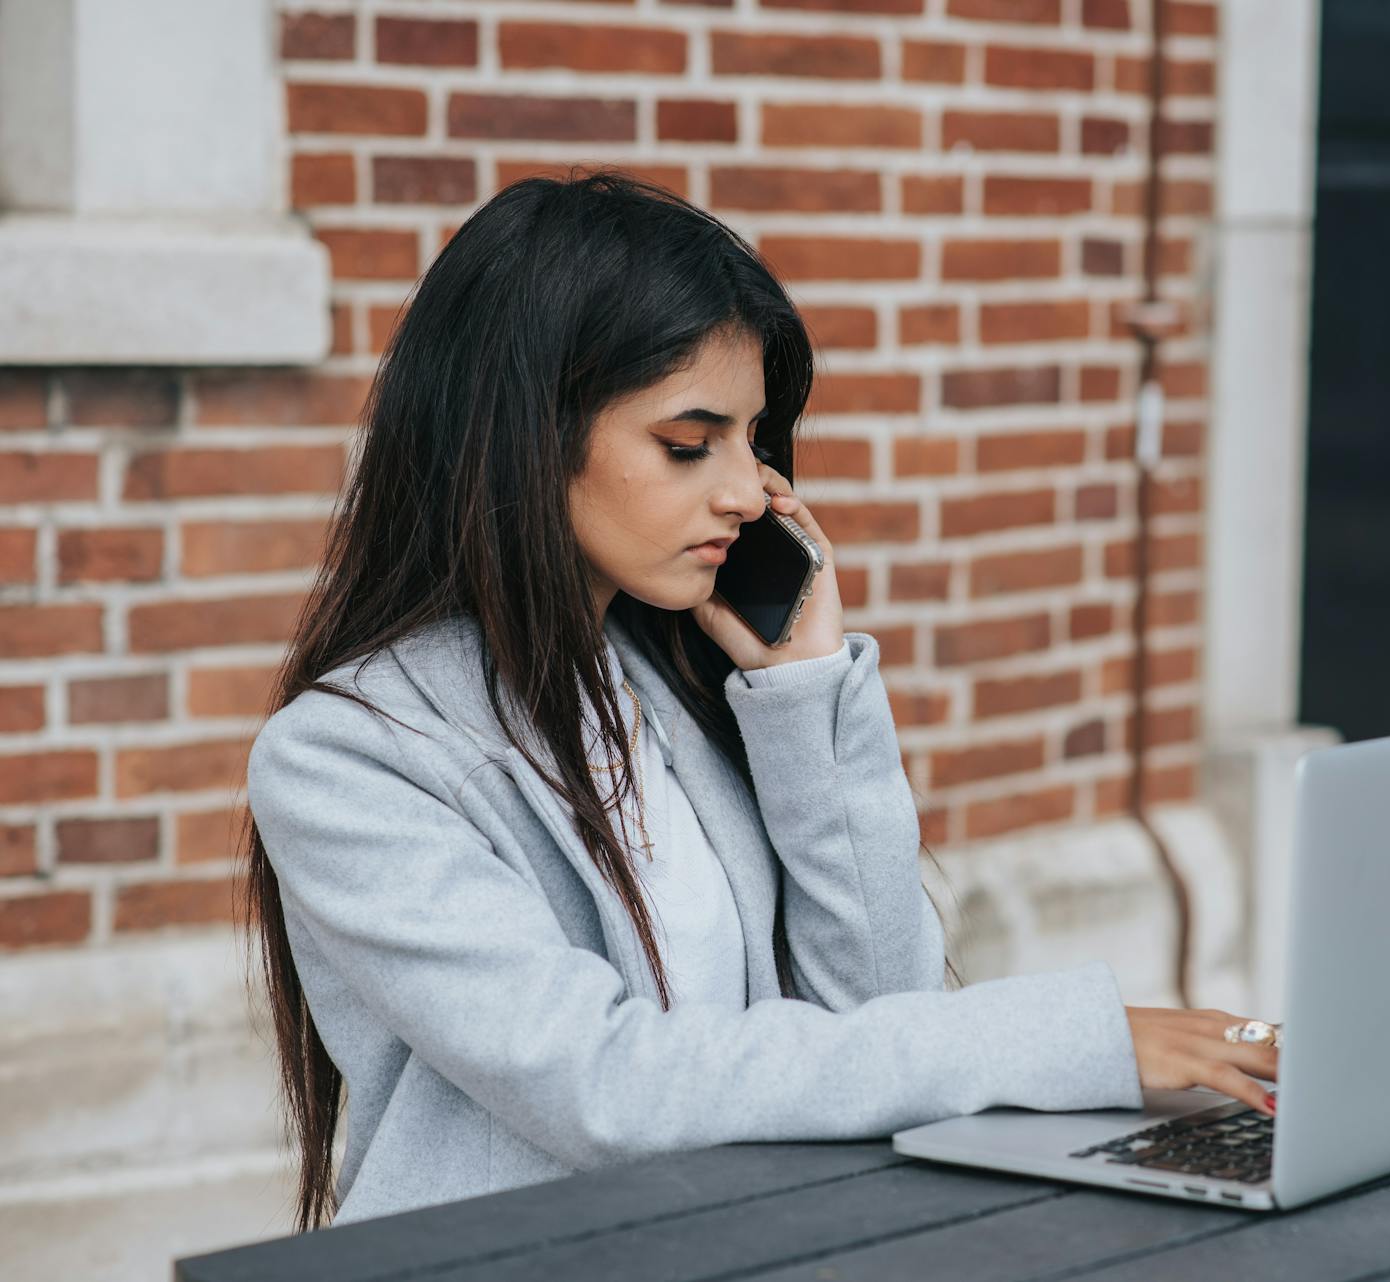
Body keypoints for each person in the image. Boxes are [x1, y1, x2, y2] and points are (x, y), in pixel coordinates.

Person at [242, 171, 1281, 1231]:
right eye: (689, 444)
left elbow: (880, 1012)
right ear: (526, 433)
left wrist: (803, 691)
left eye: (753, 439)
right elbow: (612, 1088)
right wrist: (1068, 1041)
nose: (747, 492)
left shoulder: (674, 684)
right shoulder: (348, 759)